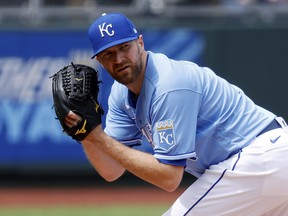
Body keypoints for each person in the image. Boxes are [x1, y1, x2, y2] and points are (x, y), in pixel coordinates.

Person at [65, 12, 288, 215]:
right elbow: (111, 171)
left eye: (125, 47)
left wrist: (100, 139)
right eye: (108, 54)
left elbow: (169, 177)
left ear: (140, 43)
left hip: (258, 158)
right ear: (99, 61)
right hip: (263, 163)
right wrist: (87, 134)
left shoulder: (169, 85)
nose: (119, 59)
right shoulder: (121, 94)